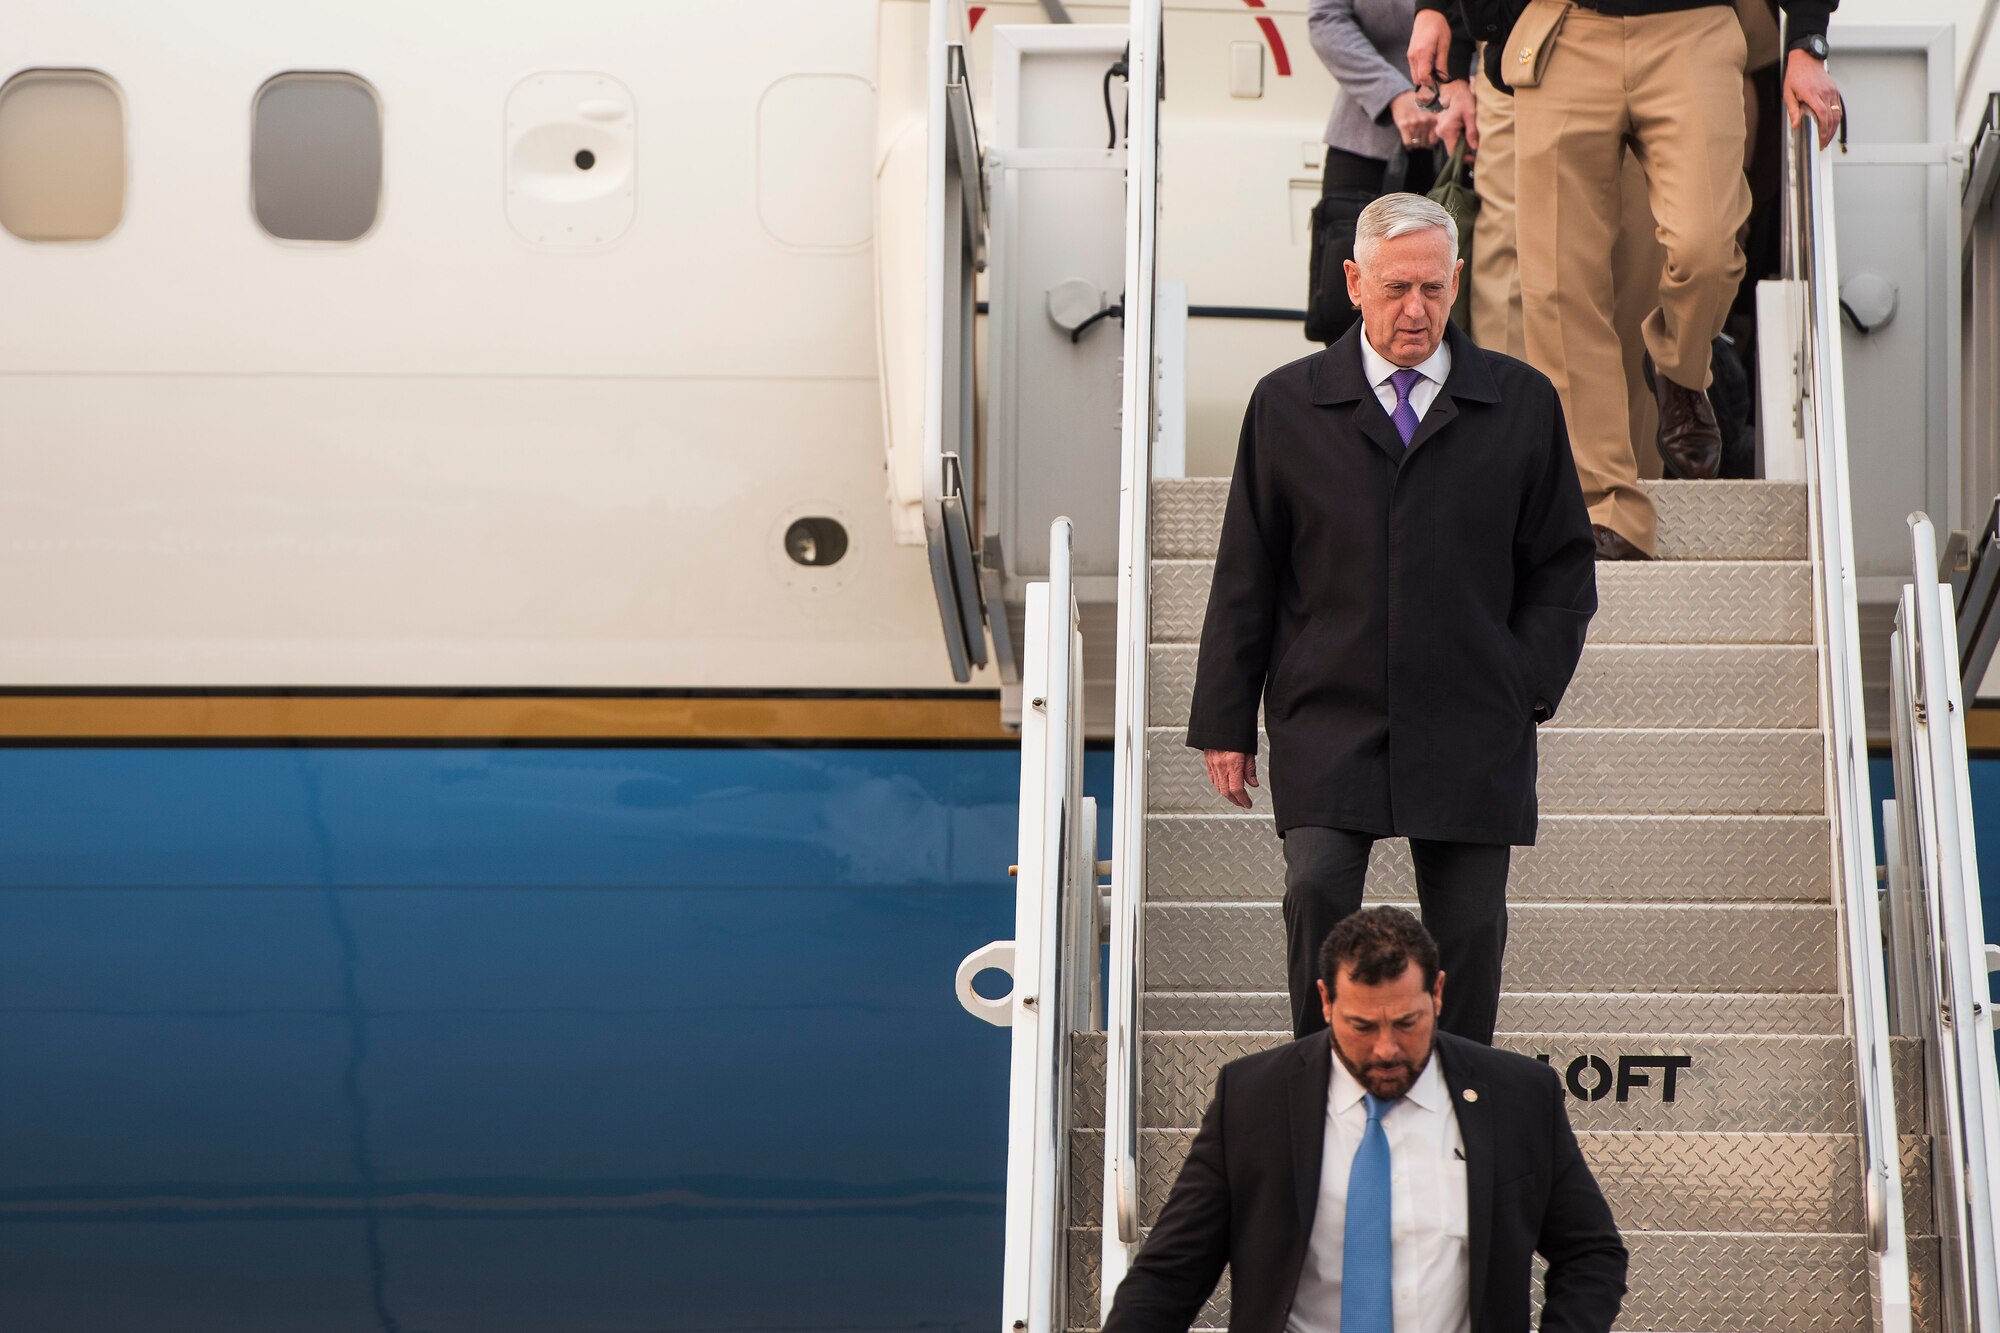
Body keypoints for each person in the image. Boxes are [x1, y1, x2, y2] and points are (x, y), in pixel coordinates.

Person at [1186, 193, 1595, 1045]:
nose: (1417, 310)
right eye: (1396, 287)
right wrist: (1227, 723)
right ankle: (1317, 1084)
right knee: (1317, 893)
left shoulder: (1520, 403)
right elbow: (1246, 574)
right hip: (1328, 713)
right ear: (1353, 282)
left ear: (1456, 284)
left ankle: (1463, 1098)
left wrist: (1523, 685)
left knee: (1472, 932)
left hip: (1475, 716)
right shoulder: (1287, 405)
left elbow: (1561, 568)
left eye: (1434, 289)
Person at [1407, 0, 1845, 559]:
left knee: (1706, 247)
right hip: (1560, 27)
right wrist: (1442, 12)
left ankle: (1679, 365)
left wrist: (1807, 39)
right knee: (1556, 285)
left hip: (1694, 25)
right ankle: (1603, 505)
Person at [1102, 908, 1628, 1333]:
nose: (1386, 1049)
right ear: (1326, 1002)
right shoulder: (1253, 1099)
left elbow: (1590, 1252)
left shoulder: (1518, 1096)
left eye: (1407, 1023)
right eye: (1361, 1025)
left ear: (1438, 994)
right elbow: (1170, 1276)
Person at [1303, 0, 1471, 344]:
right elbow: (1325, 18)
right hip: (1367, 140)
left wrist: (1467, 93)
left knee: (1463, 314)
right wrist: (1393, 95)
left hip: (1467, 137)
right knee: (1343, 317)